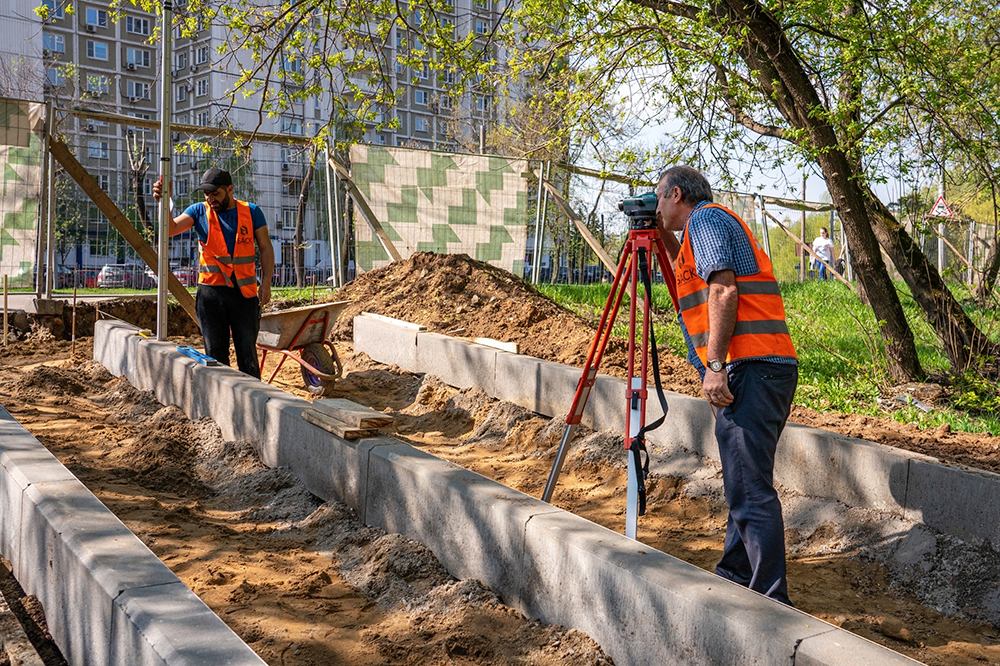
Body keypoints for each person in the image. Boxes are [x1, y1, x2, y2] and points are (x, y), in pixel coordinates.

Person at [654, 165, 798, 606]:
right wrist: (657, 234)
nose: (656, 208)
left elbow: (722, 291)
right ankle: (736, 572)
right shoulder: (700, 231)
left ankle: (770, 600)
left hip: (748, 367)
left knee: (750, 488)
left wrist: (714, 364)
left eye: (658, 200)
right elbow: (691, 273)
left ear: (676, 195)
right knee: (744, 479)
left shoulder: (708, 220)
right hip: (764, 368)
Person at [152, 167, 275, 378]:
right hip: (211, 297)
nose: (210, 198)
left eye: (215, 193)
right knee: (216, 357)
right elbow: (171, 229)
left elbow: (266, 248)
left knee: (248, 355)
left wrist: (266, 283)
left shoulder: (251, 212)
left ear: (230, 189)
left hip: (244, 296)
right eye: (206, 194)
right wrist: (164, 202)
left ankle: (254, 404)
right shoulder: (198, 211)